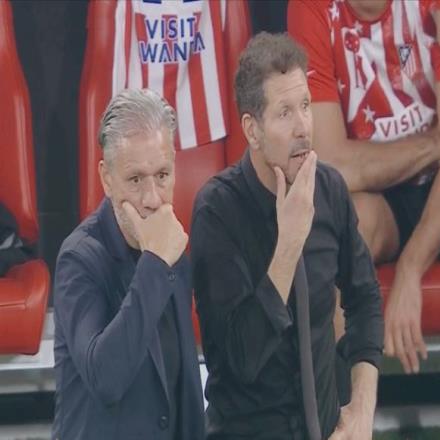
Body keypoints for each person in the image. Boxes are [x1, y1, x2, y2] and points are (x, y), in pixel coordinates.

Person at [288, 1, 440, 438]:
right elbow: (333, 164)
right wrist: (435, 143)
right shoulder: (311, 8)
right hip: (379, 198)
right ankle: (339, 427)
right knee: (326, 235)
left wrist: (411, 268)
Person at [191, 32, 383, 440]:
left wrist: (362, 409)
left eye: (306, 106)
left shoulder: (329, 189)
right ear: (253, 130)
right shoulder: (217, 212)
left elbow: (365, 299)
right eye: (284, 113)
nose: (303, 128)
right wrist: (289, 244)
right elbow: (240, 359)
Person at [52, 89, 204, 440]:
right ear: (106, 178)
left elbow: (182, 388)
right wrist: (154, 264)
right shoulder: (79, 259)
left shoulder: (174, 254)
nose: (152, 199)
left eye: (162, 175)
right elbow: (105, 377)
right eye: (136, 180)